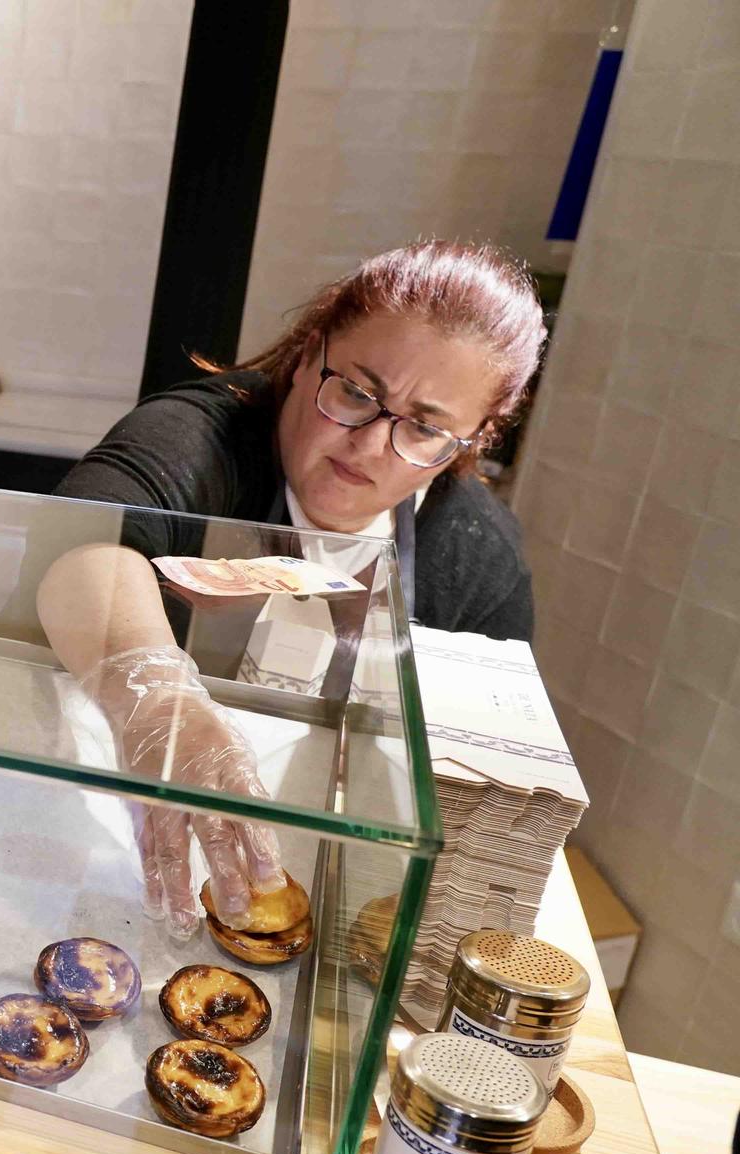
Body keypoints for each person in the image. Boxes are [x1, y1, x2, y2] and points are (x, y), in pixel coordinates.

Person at [35, 241, 546, 936]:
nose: (369, 444)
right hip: (86, 831)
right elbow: (82, 541)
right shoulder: (205, 437)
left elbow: (473, 776)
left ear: (471, 440)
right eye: (357, 393)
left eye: (424, 428)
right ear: (309, 357)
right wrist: (154, 696)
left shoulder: (479, 562)